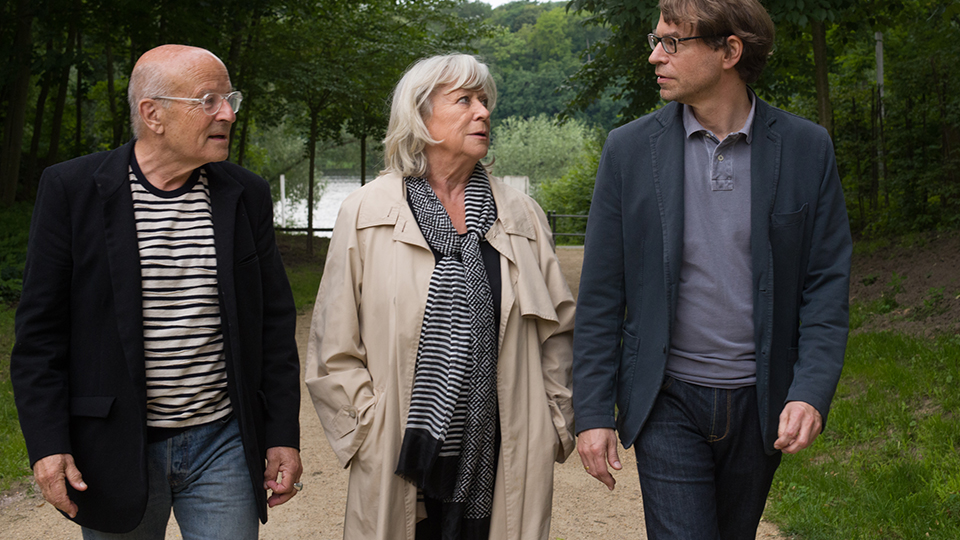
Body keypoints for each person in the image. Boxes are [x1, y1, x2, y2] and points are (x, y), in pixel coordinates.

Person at [572, 0, 852, 538]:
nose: (655, 56)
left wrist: (810, 390)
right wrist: (591, 413)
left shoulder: (806, 149)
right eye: (655, 41)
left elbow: (825, 285)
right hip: (666, 399)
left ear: (730, 51)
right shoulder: (628, 151)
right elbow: (602, 293)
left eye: (672, 43)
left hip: (761, 401)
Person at [11, 44, 302, 539]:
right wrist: (46, 444)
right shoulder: (71, 189)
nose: (228, 113)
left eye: (229, 98)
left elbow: (273, 323)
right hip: (115, 446)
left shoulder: (244, 193)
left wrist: (281, 435)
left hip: (223, 443)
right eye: (209, 100)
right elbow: (39, 335)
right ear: (153, 114)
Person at [305, 53, 576, 540]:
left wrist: (552, 421)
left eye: (486, 100)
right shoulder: (366, 211)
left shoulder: (522, 215)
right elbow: (333, 345)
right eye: (465, 100)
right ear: (420, 114)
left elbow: (558, 334)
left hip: (505, 445)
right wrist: (368, 427)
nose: (484, 112)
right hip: (402, 448)